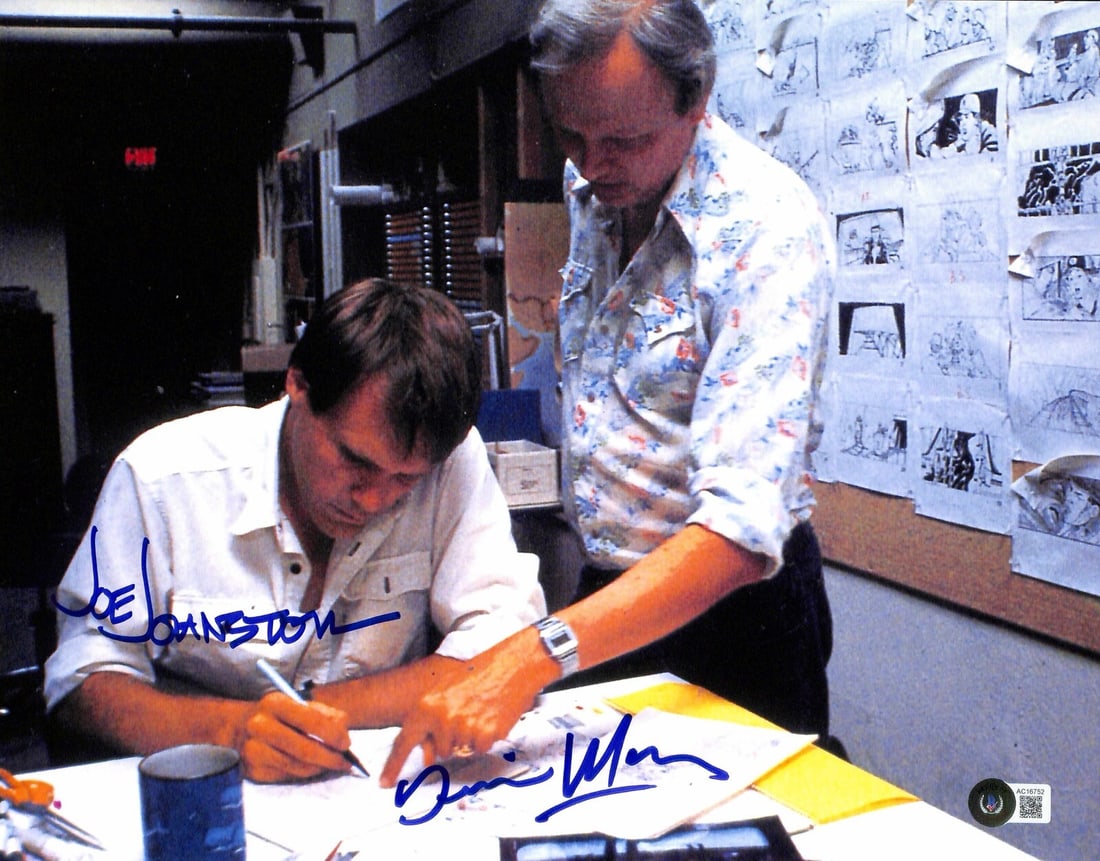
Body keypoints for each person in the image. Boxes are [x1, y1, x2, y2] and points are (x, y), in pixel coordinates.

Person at [379, 0, 835, 785]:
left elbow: (737, 528)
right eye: (573, 135)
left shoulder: (767, 230)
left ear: (696, 99)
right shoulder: (594, 182)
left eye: (623, 139)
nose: (594, 164)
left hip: (732, 611)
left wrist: (535, 649)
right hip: (608, 594)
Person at [43, 278, 546, 783]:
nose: (373, 500)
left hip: (371, 794)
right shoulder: (161, 479)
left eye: (405, 480)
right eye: (355, 461)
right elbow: (84, 685)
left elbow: (504, 648)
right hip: (202, 790)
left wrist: (315, 711)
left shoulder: (449, 463)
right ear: (298, 385)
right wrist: (234, 731)